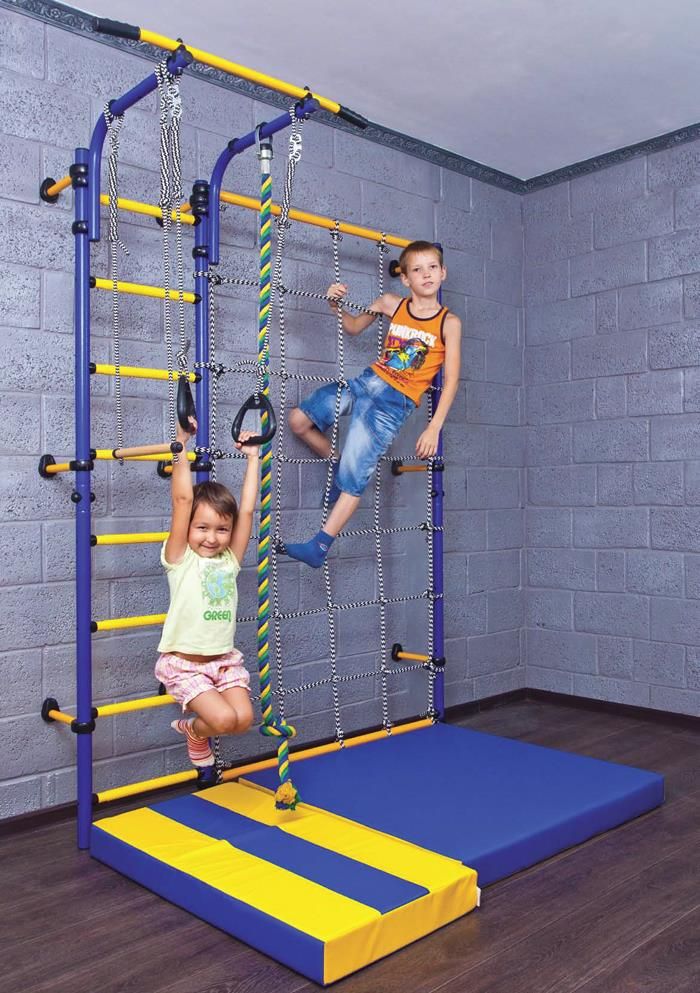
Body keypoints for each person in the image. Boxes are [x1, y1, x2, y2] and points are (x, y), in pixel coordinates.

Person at [284, 240, 461, 568]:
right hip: (365, 383)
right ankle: (337, 464)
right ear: (405, 279)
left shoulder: (448, 323)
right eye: (417, 270)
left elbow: (450, 379)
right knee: (298, 420)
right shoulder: (391, 303)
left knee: (355, 479)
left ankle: (319, 546)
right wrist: (335, 306)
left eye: (432, 268)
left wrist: (433, 427)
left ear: (443, 273)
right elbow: (353, 327)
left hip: (392, 405)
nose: (426, 275)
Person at [155, 417, 258, 769]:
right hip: (185, 666)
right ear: (188, 528)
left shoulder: (230, 561)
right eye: (202, 527)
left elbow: (247, 511)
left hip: (223, 661)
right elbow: (183, 500)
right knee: (224, 720)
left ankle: (195, 729)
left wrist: (253, 458)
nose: (212, 537)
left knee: (243, 721)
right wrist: (181, 444)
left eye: (221, 530)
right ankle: (195, 731)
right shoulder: (180, 559)